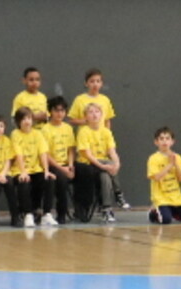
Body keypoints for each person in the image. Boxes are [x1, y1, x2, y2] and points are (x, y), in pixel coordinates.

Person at [68, 68, 130, 210]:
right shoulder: (80, 99)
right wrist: (85, 121)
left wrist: (106, 138)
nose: (95, 84)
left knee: (107, 170)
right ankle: (117, 195)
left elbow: (108, 121)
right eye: (92, 81)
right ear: (86, 83)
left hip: (101, 141)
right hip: (88, 144)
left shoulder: (105, 100)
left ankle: (108, 205)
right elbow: (71, 120)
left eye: (98, 81)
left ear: (101, 83)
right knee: (105, 167)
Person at [75, 103, 121, 223]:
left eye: (97, 111)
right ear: (85, 117)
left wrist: (117, 163)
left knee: (105, 175)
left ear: (101, 115)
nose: (94, 114)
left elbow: (112, 151)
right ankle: (118, 193)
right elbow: (88, 155)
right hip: (88, 165)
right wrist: (103, 166)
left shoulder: (106, 132)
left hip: (103, 163)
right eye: (91, 112)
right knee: (105, 170)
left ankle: (106, 208)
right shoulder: (84, 131)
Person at [11, 106, 52, 227]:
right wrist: (23, 171)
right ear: (18, 121)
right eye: (23, 119)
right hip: (19, 170)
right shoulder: (15, 134)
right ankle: (28, 214)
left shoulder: (38, 134)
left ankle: (46, 214)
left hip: (36, 169)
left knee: (48, 180)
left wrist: (46, 170)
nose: (27, 121)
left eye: (29, 118)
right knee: (24, 182)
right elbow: (18, 154)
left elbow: (43, 153)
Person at [148, 126, 181, 224]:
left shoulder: (177, 157)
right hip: (161, 198)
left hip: (176, 198)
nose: (164, 141)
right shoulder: (153, 158)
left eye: (167, 138)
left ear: (172, 142)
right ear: (156, 142)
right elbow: (156, 177)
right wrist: (169, 165)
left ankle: (172, 211)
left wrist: (175, 164)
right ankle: (153, 213)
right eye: (161, 139)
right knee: (165, 220)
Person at [41, 95, 75, 224]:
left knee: (85, 173)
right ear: (50, 112)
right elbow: (46, 154)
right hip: (52, 165)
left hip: (66, 163)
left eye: (62, 110)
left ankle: (82, 209)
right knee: (60, 178)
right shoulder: (45, 130)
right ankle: (60, 214)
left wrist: (71, 165)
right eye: (56, 110)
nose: (59, 113)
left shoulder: (68, 128)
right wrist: (63, 169)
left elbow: (71, 149)